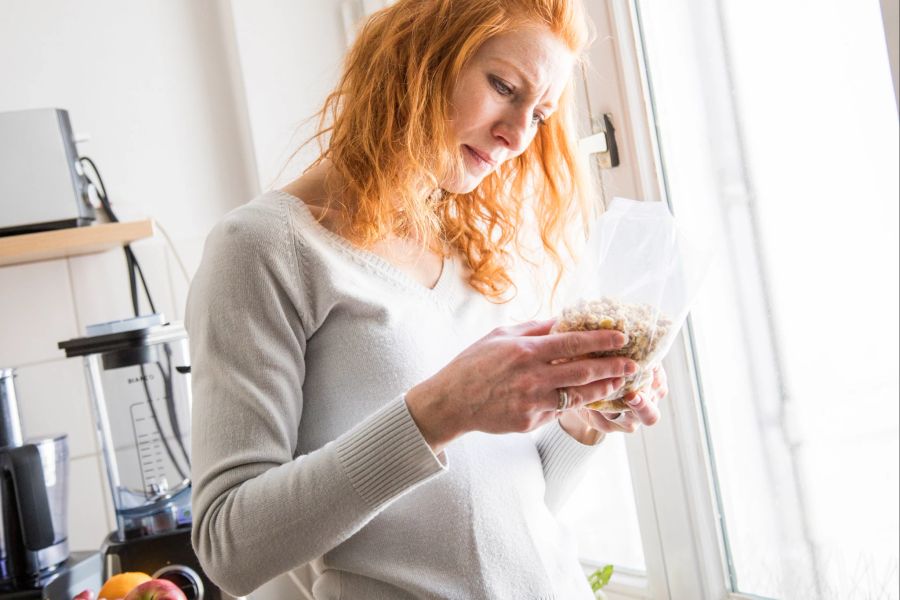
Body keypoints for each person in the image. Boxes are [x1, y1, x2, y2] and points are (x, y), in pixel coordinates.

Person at [185, 0, 668, 597]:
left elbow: (495, 521)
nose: (517, 136)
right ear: (420, 59)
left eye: (539, 116)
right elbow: (228, 548)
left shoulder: (473, 253)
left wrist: (582, 420)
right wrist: (442, 409)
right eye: (503, 86)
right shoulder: (265, 247)